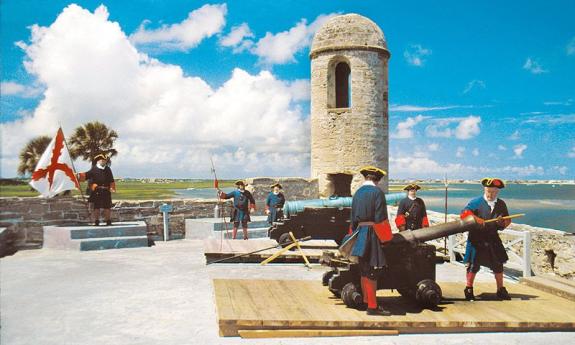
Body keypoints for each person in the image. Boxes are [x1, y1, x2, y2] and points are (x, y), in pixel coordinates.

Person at [348, 166, 394, 316]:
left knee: (364, 270)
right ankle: (373, 307)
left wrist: (353, 235)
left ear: (366, 178)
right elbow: (381, 218)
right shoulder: (377, 193)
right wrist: (387, 239)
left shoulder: (357, 193)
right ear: (377, 179)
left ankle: (367, 301)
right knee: (373, 271)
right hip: (372, 234)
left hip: (359, 233)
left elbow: (353, 218)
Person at [460, 177, 512, 301]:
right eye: (488, 191)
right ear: (485, 189)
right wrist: (475, 219)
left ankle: (500, 289)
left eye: (493, 192)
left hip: (493, 239)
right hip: (477, 239)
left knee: (498, 265)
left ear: (497, 192)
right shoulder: (476, 202)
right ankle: (469, 288)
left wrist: (501, 222)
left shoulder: (501, 204)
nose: (490, 194)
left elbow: (507, 220)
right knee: (473, 265)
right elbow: (463, 214)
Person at [77, 154, 116, 226]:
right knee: (96, 207)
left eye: (104, 160)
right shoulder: (94, 169)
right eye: (101, 160)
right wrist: (78, 176)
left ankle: (108, 221)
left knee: (107, 207)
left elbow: (111, 180)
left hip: (106, 191)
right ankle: (97, 221)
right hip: (97, 191)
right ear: (98, 161)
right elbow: (86, 175)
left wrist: (112, 187)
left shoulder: (108, 169)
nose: (103, 161)